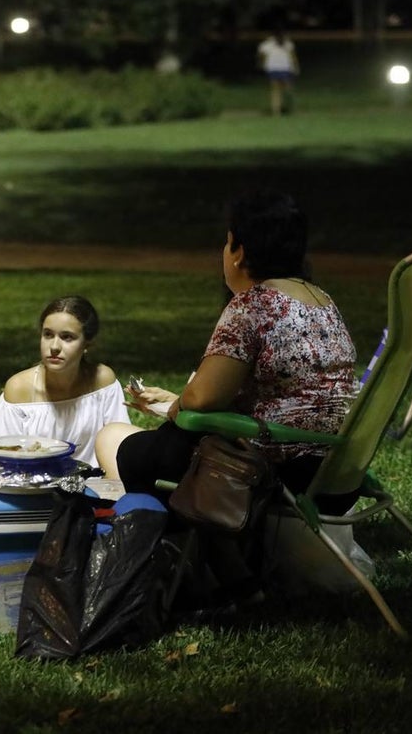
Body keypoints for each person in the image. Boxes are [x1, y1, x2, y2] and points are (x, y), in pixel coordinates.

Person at [94, 189, 358, 599]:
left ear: (238, 251)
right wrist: (178, 401)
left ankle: (197, 577)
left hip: (265, 465)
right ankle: (230, 571)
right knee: (161, 442)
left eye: (227, 239)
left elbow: (200, 402)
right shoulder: (322, 301)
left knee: (125, 447)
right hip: (332, 464)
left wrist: (178, 405)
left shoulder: (254, 305)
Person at [0, 295, 131, 468]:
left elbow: (120, 445)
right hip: (32, 484)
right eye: (48, 335)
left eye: (67, 337)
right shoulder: (19, 388)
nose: (54, 347)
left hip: (96, 483)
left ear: (87, 344)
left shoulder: (101, 380)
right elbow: (0, 454)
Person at [257, 26, 300, 116]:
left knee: (286, 90)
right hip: (274, 69)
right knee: (277, 90)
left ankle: (283, 108)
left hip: (284, 68)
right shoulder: (267, 44)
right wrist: (263, 65)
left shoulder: (288, 44)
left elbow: (292, 57)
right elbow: (262, 56)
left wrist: (295, 67)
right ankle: (277, 110)